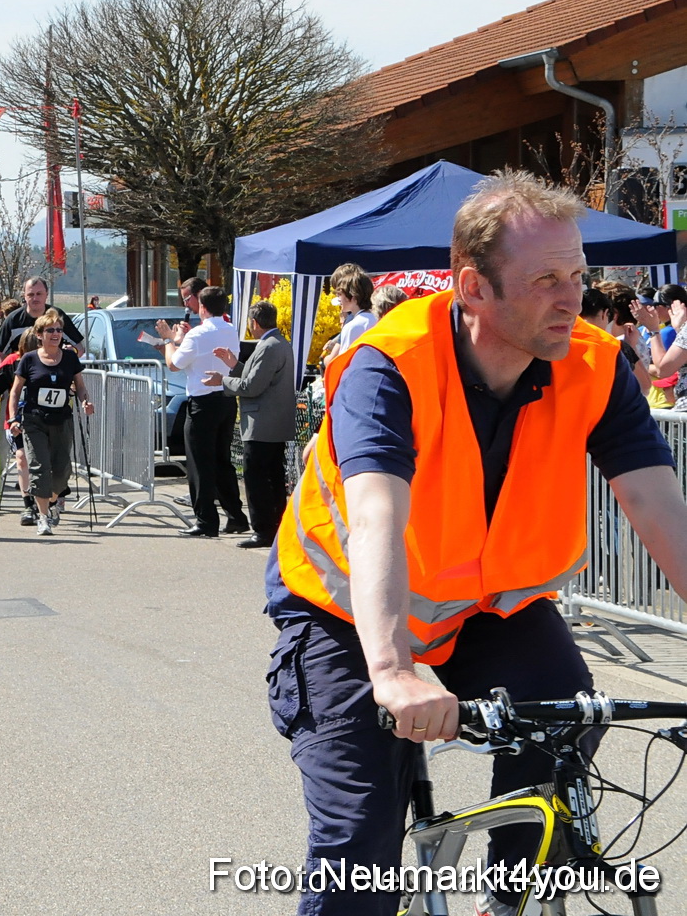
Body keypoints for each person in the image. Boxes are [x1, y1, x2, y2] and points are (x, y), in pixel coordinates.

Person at [266, 171, 687, 915]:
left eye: (578, 276)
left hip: (487, 609)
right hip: (346, 614)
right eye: (546, 280)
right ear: (473, 287)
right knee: (360, 841)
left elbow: (660, 508)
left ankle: (506, 900)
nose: (572, 299)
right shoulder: (391, 364)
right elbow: (375, 516)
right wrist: (393, 671)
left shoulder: (592, 365)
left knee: (568, 726)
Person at [203, 300, 295, 549]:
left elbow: (252, 386)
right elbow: (258, 378)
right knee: (272, 477)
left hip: (262, 424)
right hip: (272, 423)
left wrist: (223, 380)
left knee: (257, 479)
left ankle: (263, 530)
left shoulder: (269, 346)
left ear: (254, 323)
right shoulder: (278, 343)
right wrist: (235, 366)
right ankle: (276, 527)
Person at [163, 286, 246, 538]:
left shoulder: (198, 334)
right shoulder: (230, 329)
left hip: (202, 401)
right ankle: (236, 516)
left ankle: (206, 520)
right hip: (226, 398)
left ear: (202, 307)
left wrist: (169, 340)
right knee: (222, 460)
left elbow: (174, 364)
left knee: (199, 462)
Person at [6, 311, 94, 535]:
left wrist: (85, 401)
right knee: (40, 467)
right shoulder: (29, 359)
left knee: (62, 471)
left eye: (59, 330)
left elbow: (80, 386)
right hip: (34, 420)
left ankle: (52, 501)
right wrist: (13, 418)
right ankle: (43, 517)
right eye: (50, 330)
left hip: (62, 420)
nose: (56, 334)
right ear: (39, 334)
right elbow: (15, 392)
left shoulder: (70, 358)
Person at [0, 328, 39, 525]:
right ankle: (28, 505)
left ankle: (50, 499)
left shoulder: (51, 360)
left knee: (45, 462)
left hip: (45, 420)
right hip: (17, 420)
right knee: (22, 458)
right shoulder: (12, 361)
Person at [0, 277, 83, 369]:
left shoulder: (57, 316)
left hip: (53, 373)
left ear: (46, 294)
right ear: (24, 296)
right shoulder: (14, 320)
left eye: (39, 294)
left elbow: (79, 348)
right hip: (22, 374)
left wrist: (70, 355)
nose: (35, 298)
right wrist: (1, 373)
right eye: (31, 294)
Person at [319, 263, 376, 365]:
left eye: (340, 294)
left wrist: (325, 360)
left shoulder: (352, 326)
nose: (338, 298)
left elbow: (340, 363)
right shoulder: (378, 319)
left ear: (353, 297)